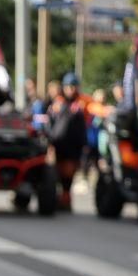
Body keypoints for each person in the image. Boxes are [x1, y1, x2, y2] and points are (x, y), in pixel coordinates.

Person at [48, 73, 88, 212]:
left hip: (73, 148)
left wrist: (84, 146)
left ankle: (65, 199)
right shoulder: (57, 104)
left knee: (68, 175)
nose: (71, 90)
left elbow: (82, 129)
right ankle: (59, 198)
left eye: (73, 86)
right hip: (58, 145)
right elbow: (50, 124)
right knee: (56, 174)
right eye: (68, 87)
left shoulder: (81, 105)